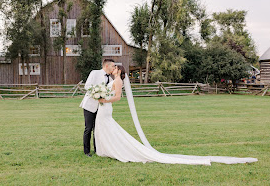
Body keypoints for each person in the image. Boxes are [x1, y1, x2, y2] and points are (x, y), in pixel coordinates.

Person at [94, 65, 258, 165]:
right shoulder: (112, 81)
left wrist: (103, 99)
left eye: (115, 68)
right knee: (107, 129)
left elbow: (117, 97)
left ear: (118, 71)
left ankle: (113, 150)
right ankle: (105, 150)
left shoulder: (117, 81)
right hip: (104, 107)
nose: (113, 68)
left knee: (110, 129)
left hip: (106, 107)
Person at [79, 59, 116, 157]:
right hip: (90, 105)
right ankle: (86, 151)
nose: (114, 68)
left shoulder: (111, 79)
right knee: (88, 128)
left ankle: (97, 149)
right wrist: (98, 93)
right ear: (107, 66)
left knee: (98, 129)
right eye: (113, 66)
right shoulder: (95, 73)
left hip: (101, 107)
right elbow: (87, 86)